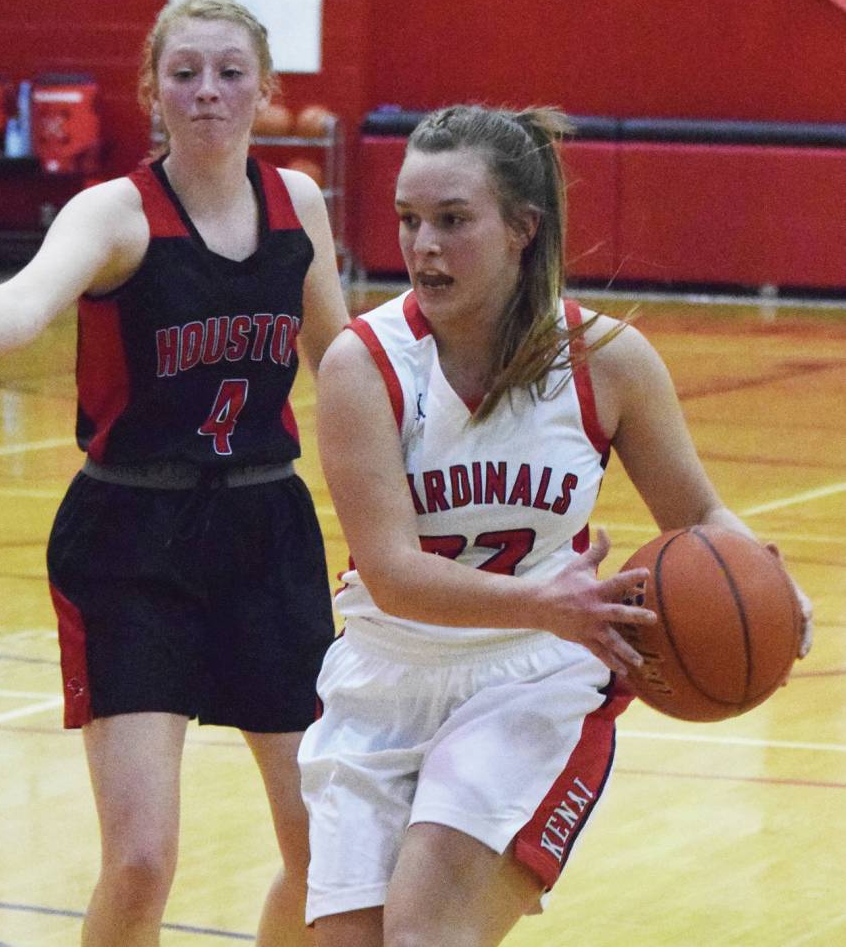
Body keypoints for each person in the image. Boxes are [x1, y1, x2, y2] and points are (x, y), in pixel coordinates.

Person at [0, 0, 349, 947]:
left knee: (327, 847)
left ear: (265, 89)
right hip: (133, 541)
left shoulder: (300, 204)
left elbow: (339, 359)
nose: (206, 91)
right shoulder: (116, 213)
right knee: (140, 859)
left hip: (266, 531)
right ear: (152, 91)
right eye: (184, 73)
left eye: (229, 72)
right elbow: (25, 301)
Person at [298, 104, 814, 945]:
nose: (423, 245)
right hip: (383, 675)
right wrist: (545, 601)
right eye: (408, 219)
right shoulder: (365, 363)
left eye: (452, 219)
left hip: (531, 676)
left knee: (423, 933)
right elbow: (390, 572)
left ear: (521, 228)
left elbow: (697, 514)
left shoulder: (606, 360)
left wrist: (763, 575)